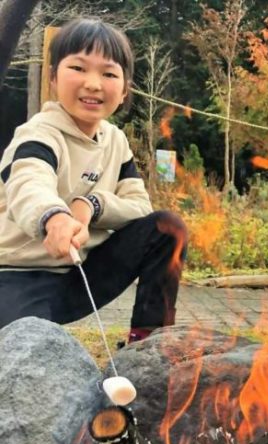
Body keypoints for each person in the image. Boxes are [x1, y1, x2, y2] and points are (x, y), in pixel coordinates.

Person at [0, 18, 187, 343]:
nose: (93, 84)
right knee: (31, 352)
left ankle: (148, 341)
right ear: (54, 76)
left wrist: (91, 205)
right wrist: (53, 217)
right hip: (16, 278)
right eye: (78, 68)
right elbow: (29, 182)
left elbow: (140, 207)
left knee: (167, 228)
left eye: (109, 73)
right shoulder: (38, 134)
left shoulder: (115, 141)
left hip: (80, 276)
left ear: (125, 88)